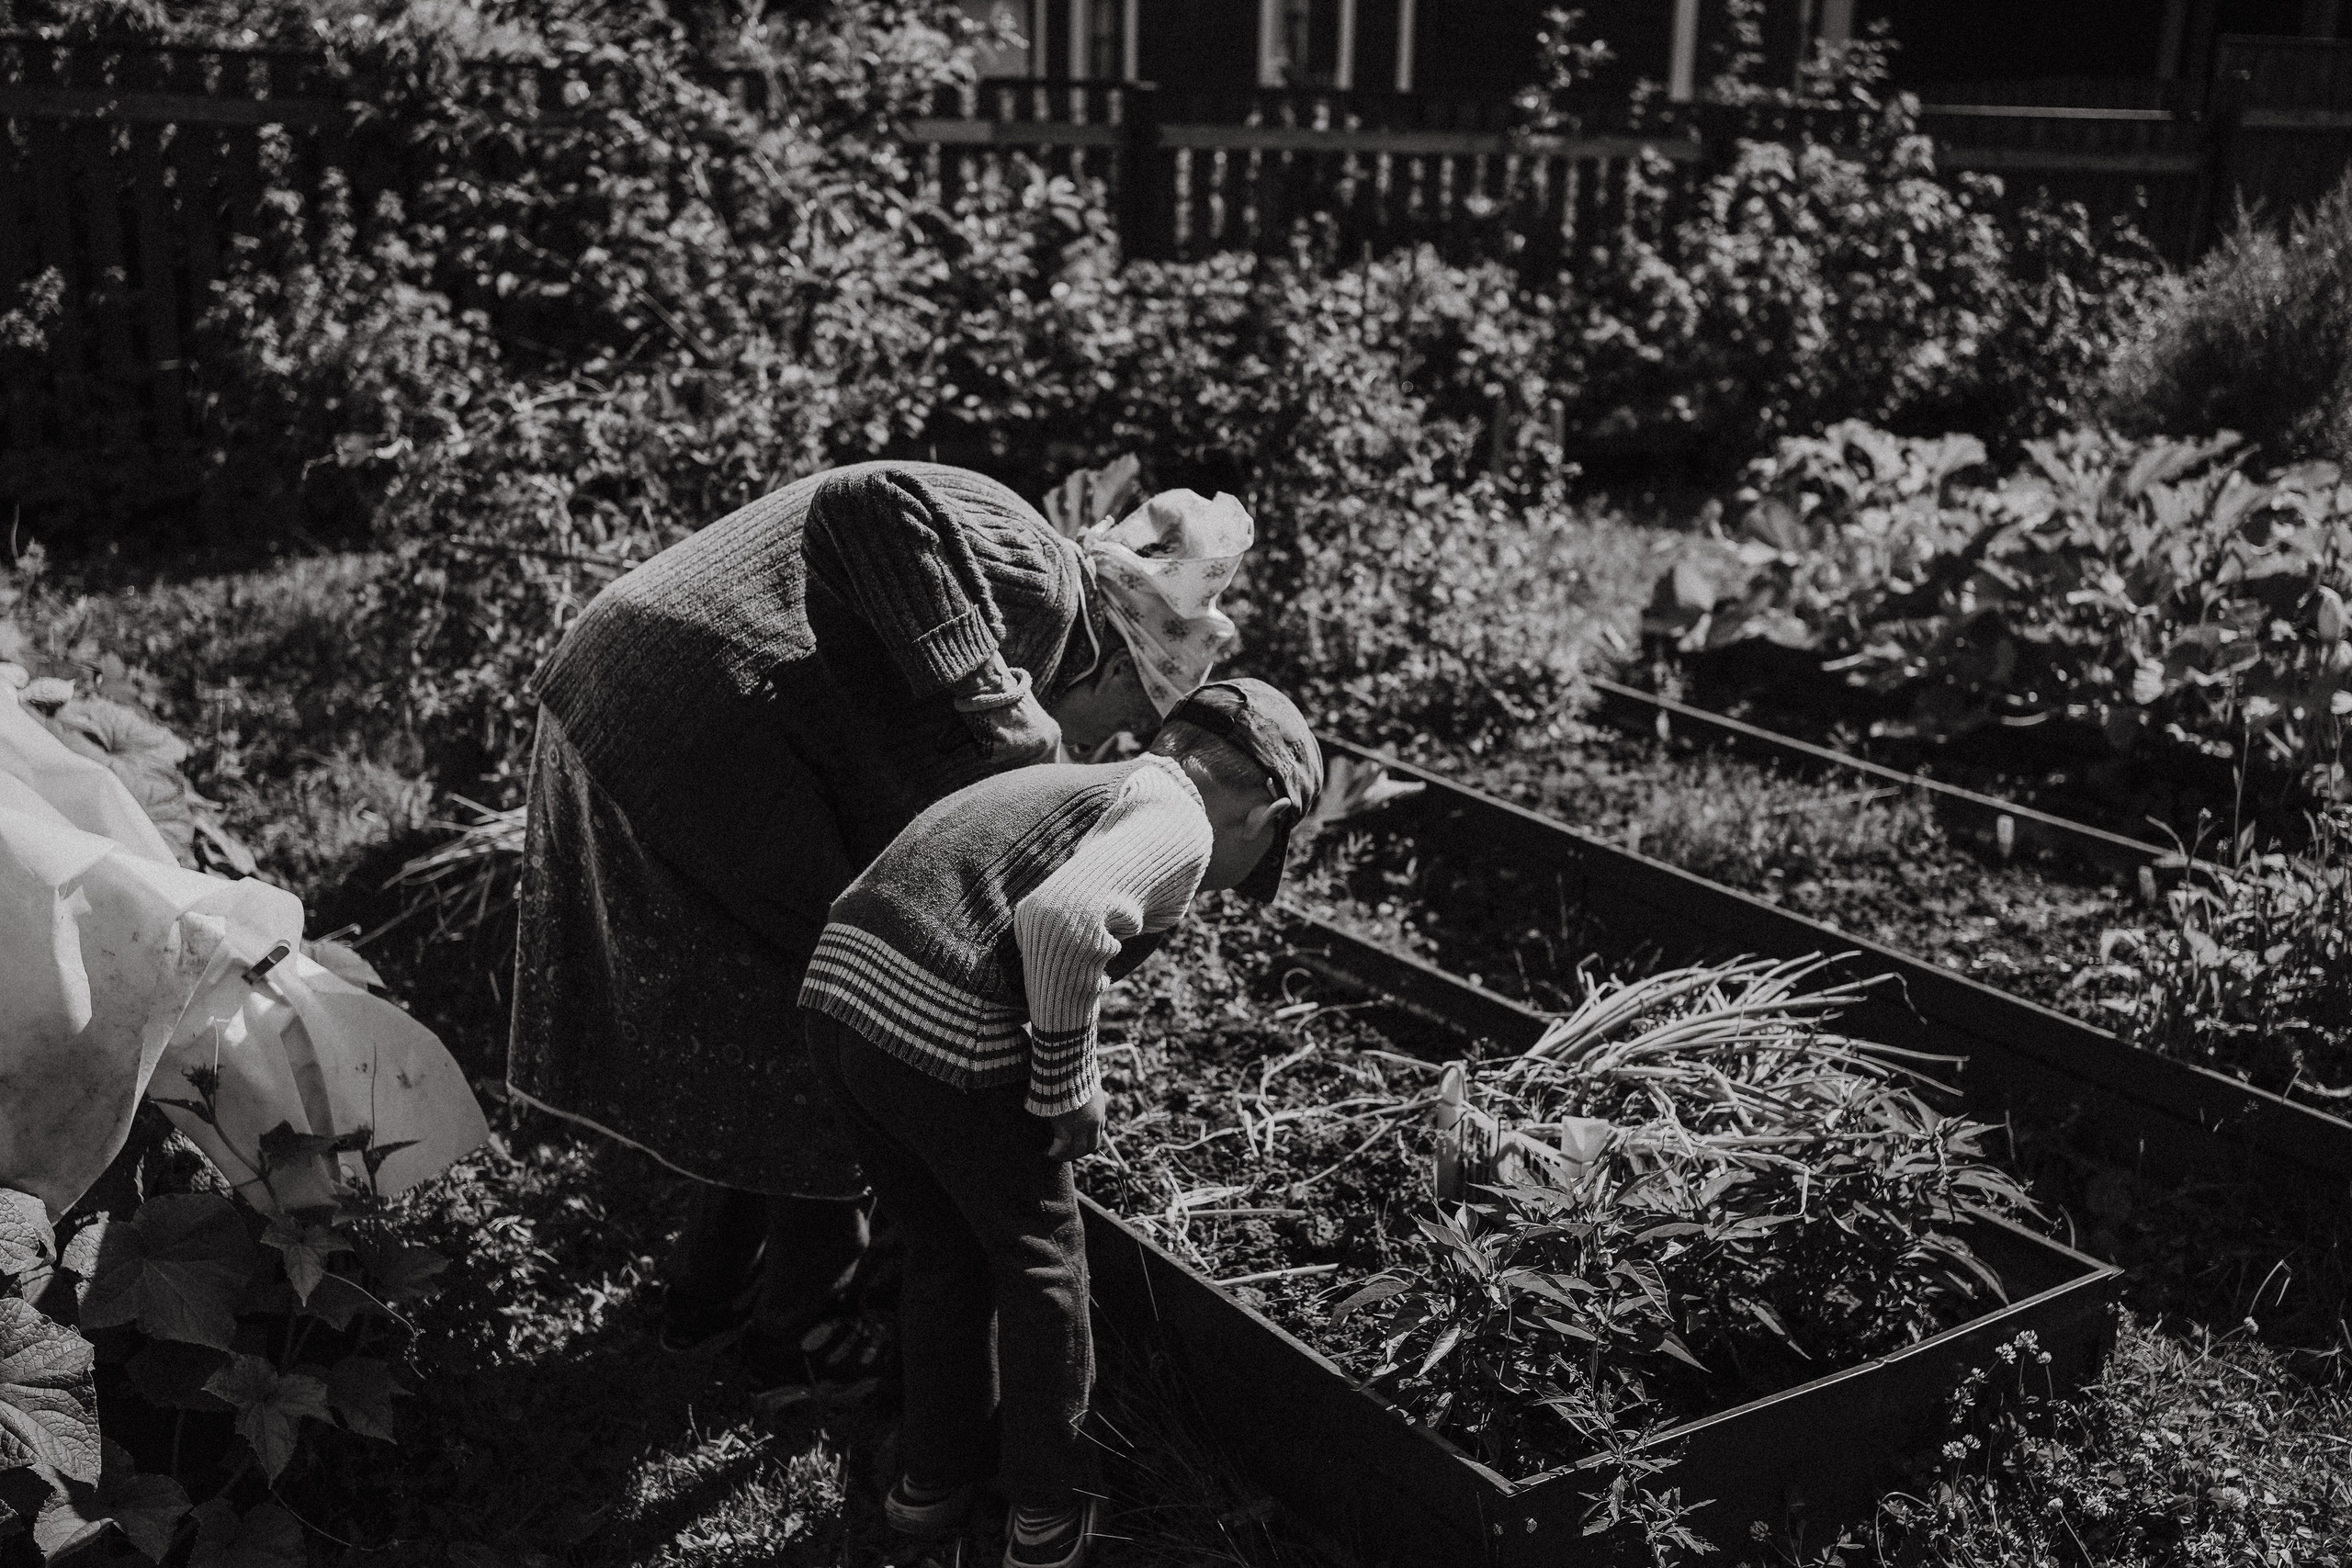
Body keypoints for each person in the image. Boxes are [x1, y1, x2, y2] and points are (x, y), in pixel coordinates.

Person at [506, 460, 1256, 1390]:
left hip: (677, 730)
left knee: (779, 1033)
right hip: (681, 713)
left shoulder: (1024, 648)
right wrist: (996, 701)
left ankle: (707, 1310)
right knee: (829, 1041)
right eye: (1131, 717)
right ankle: (793, 1338)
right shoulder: (1040, 578)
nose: (1107, 744)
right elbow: (867, 503)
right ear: (1114, 656)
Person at [799, 678, 1324, 1568]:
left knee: (945, 1250)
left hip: (842, 997)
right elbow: (1063, 920)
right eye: (1264, 855)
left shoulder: (1087, 784)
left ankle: (931, 1486)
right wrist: (1064, 1082)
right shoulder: (1178, 815)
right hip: (938, 1013)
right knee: (1044, 1259)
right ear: (1264, 813)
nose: (1241, 881)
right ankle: (1048, 1511)